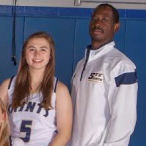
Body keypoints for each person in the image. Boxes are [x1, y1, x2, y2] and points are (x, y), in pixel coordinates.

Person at [70, 3, 138, 146]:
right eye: (95, 19)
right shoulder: (81, 65)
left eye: (105, 19)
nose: (98, 23)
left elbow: (124, 119)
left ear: (116, 27)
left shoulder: (122, 66)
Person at [0, 31, 72, 146]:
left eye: (43, 49)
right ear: (24, 54)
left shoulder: (59, 90)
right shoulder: (8, 85)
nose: (37, 54)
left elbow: (64, 133)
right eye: (32, 49)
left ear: (50, 55)